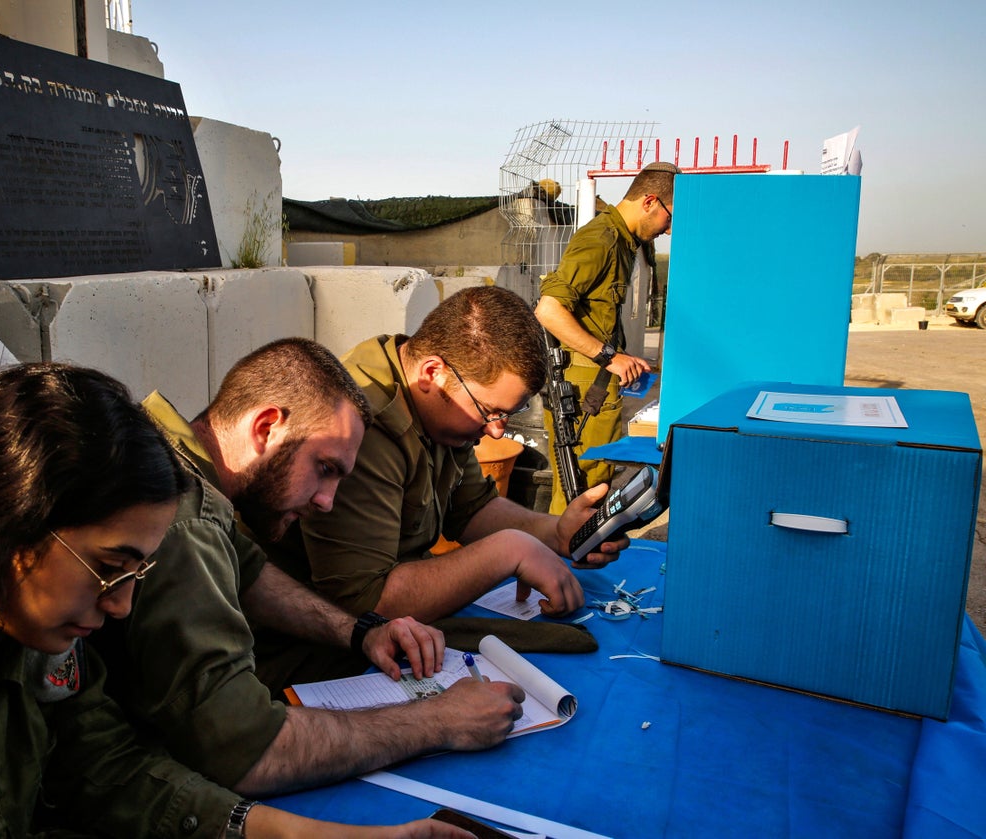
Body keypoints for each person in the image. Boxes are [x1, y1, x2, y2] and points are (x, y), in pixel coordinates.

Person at [0, 362, 475, 839]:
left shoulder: (12, 615)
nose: (123, 604)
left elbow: (108, 768)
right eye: (113, 568)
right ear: (8, 525)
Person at [92, 338, 525, 799]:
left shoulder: (174, 454)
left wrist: (360, 632)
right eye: (323, 467)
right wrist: (439, 720)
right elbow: (250, 753)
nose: (327, 501)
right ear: (265, 427)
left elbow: (251, 571)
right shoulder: (183, 522)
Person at [268, 287, 628, 627]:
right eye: (490, 411)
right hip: (303, 644)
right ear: (432, 373)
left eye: (506, 414)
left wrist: (555, 533)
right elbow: (366, 604)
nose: (497, 431)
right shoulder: (364, 426)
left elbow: (470, 507)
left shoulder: (441, 408)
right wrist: (508, 552)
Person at [534, 161, 680, 512]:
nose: (670, 229)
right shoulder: (601, 239)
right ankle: (564, 564)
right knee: (582, 492)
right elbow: (548, 310)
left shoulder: (623, 242)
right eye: (670, 217)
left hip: (595, 384)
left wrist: (622, 358)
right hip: (585, 390)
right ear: (649, 201)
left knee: (590, 485)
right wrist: (609, 357)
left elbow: (596, 317)